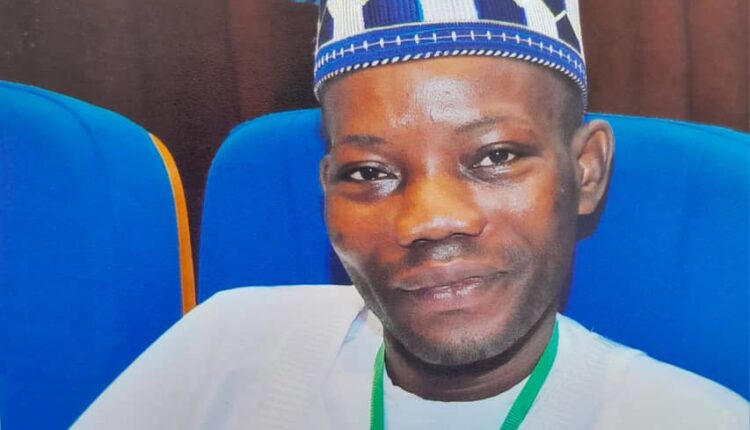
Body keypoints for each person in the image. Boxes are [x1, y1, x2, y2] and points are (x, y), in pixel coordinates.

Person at [74, 1, 747, 428]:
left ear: (586, 171)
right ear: (326, 189)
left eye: (495, 157)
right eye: (369, 172)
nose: (430, 219)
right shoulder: (224, 347)